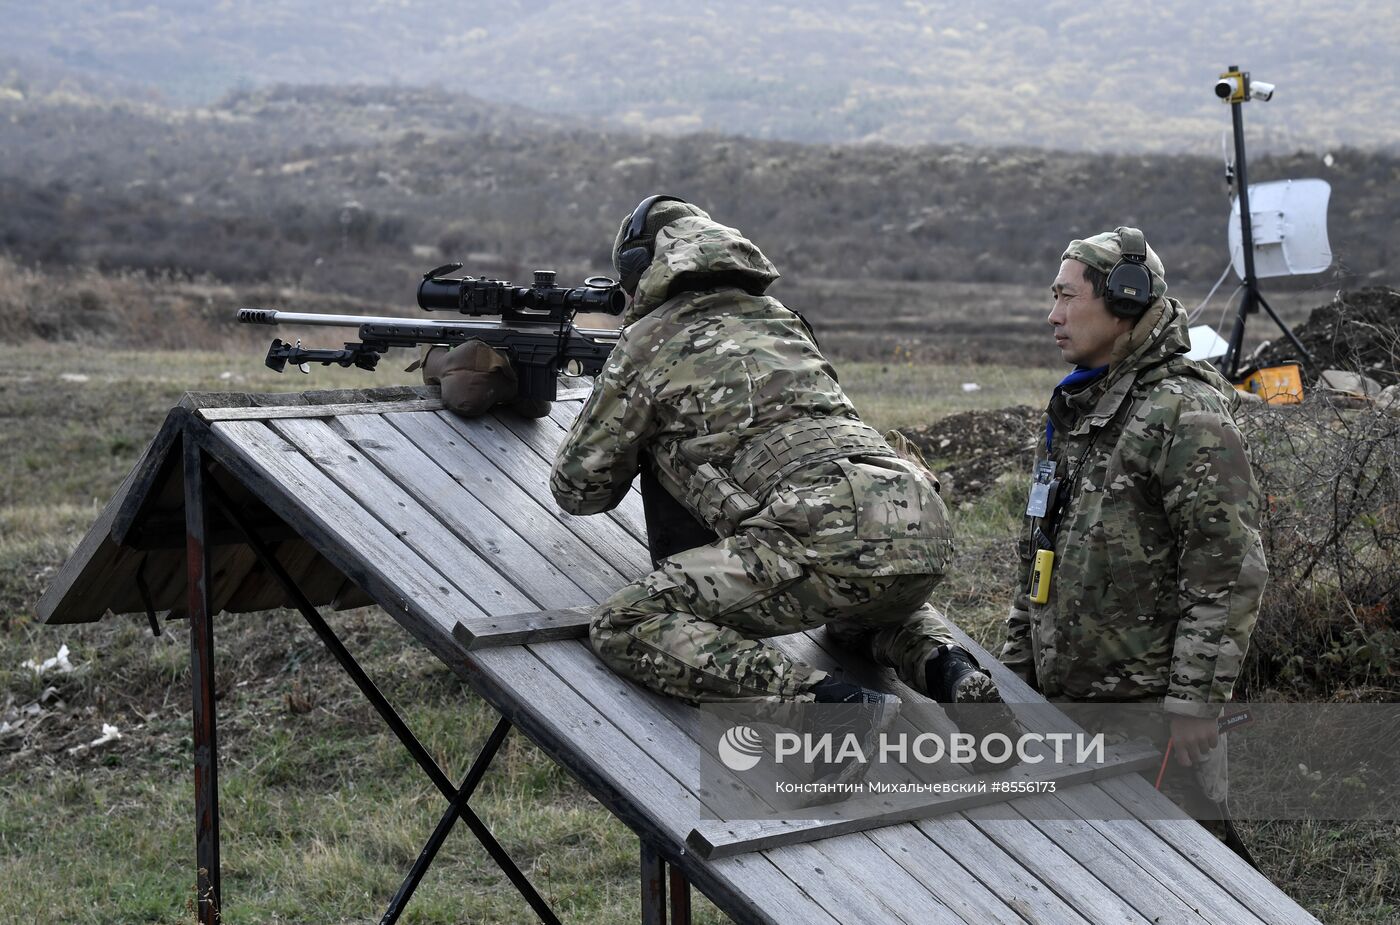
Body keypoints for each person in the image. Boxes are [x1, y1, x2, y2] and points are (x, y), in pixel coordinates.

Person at [548, 195, 1015, 772]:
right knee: (857, 613)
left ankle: (829, 708)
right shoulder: (784, 321)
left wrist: (644, 426)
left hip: (819, 531)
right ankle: (954, 675)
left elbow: (577, 489)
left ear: (641, 270)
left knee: (625, 623)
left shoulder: (649, 339)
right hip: (918, 518)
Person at [1000, 227, 1267, 840]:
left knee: (1189, 883)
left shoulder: (1183, 412)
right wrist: (1013, 680)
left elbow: (1227, 568)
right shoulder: (1079, 410)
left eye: (1068, 297)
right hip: (1065, 715)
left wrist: (1195, 700)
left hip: (1149, 724)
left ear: (1123, 303)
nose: (1053, 315)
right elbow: (1039, 558)